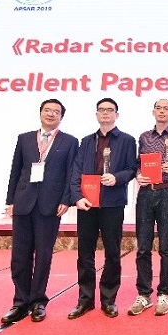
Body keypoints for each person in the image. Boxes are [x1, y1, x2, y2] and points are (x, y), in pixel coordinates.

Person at [1, 99, 79, 324]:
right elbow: (15, 171)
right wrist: (11, 200)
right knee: (19, 256)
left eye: (56, 112)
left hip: (50, 205)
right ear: (40, 113)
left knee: (44, 256)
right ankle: (20, 302)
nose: (51, 114)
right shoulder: (24, 138)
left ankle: (38, 302)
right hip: (23, 203)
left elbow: (70, 173)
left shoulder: (69, 141)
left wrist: (66, 200)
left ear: (61, 117)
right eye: (47, 110)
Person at [67, 98, 137, 319]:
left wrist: (117, 178)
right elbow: (76, 171)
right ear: (96, 114)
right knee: (84, 252)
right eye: (101, 110)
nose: (105, 113)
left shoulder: (127, 140)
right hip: (87, 203)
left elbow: (132, 169)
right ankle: (85, 299)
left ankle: (108, 299)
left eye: (110, 110)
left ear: (117, 114)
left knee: (113, 252)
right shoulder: (86, 141)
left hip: (112, 202)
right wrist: (77, 198)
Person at [128, 99, 168, 316]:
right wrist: (138, 175)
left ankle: (163, 293)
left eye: (166, 108)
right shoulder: (144, 137)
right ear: (153, 112)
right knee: (143, 247)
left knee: (166, 247)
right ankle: (144, 294)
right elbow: (137, 164)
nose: (162, 111)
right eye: (158, 108)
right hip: (146, 193)